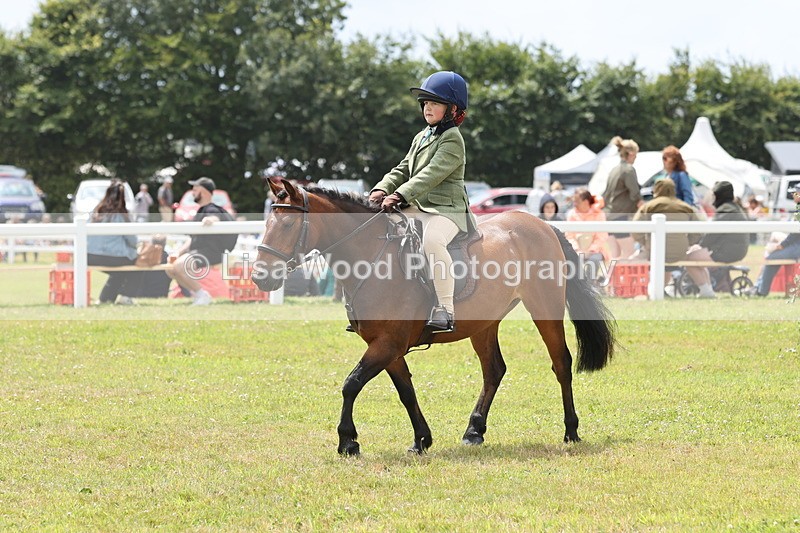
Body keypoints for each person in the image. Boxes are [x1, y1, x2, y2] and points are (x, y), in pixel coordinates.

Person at [368, 70, 476, 332]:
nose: (427, 107)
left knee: (432, 241)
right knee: (379, 230)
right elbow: (403, 169)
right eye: (425, 103)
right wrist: (381, 189)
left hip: (446, 210)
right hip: (418, 207)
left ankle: (445, 310)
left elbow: (430, 175)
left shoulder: (453, 139)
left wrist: (400, 195)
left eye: (434, 103)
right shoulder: (422, 136)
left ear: (451, 109)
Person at [631, 178, 716, 298]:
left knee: (634, 258)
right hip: (679, 252)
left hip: (654, 251)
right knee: (668, 260)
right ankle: (663, 290)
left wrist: (644, 243)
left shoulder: (649, 206)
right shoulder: (685, 206)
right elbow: (698, 230)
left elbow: (635, 228)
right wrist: (688, 243)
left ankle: (634, 289)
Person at [167, 177, 238, 305]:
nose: (193, 192)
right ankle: (197, 295)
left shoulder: (211, 209)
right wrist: (178, 252)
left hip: (211, 252)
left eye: (195, 189)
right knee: (171, 269)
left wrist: (210, 220)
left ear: (204, 192)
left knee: (179, 266)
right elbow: (193, 239)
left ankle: (202, 295)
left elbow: (215, 217)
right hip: (199, 251)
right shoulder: (200, 211)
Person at [86, 180, 139, 304]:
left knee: (119, 272)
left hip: (89, 256)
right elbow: (132, 240)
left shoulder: (96, 212)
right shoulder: (122, 215)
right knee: (137, 263)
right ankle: (126, 297)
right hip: (113, 257)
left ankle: (105, 299)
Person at [694, 181, 749, 291]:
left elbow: (712, 233)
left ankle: (706, 290)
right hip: (736, 250)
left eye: (715, 195)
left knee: (690, 258)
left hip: (727, 252)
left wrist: (699, 245)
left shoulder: (725, 210)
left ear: (719, 195)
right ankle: (710, 287)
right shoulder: (734, 208)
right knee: (696, 256)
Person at [749, 190, 800, 296]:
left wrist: (782, 245)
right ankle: (759, 288)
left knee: (771, 258)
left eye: (795, 193)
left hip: (797, 246)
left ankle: (761, 290)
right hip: (795, 244)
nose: (793, 195)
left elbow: (795, 234)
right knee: (772, 255)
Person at [602, 136, 643, 259]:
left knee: (615, 256)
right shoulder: (628, 170)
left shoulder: (614, 170)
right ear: (631, 154)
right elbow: (636, 195)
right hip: (621, 216)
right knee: (628, 255)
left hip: (609, 216)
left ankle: (609, 279)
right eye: (636, 155)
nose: (636, 158)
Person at [565, 188, 608, 279]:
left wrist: (590, 250)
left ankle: (589, 288)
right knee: (572, 261)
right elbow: (569, 236)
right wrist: (577, 250)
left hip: (596, 251)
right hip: (576, 250)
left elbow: (601, 237)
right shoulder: (571, 214)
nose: (574, 204)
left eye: (577, 201)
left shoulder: (599, 214)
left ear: (586, 202)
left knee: (593, 261)